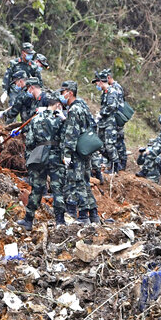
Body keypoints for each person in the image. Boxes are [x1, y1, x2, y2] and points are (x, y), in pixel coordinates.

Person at [18, 103, 67, 228]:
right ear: (57, 105)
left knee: (37, 188)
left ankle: (28, 220)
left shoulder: (36, 118)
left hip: (40, 156)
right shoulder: (61, 119)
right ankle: (60, 221)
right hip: (56, 157)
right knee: (58, 189)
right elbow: (66, 138)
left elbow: (29, 141)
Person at [59, 80, 99, 224]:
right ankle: (93, 214)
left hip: (76, 152)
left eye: (63, 92)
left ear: (70, 93)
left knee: (77, 182)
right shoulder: (82, 106)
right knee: (84, 182)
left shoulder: (74, 110)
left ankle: (82, 215)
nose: (61, 95)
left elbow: (71, 134)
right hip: (85, 150)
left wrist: (67, 153)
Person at [94, 69, 124, 173]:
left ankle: (116, 167)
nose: (97, 85)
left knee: (109, 146)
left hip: (110, 123)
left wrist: (101, 114)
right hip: (103, 123)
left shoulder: (112, 91)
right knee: (100, 146)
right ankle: (113, 163)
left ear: (101, 82)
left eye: (97, 82)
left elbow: (112, 106)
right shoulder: (104, 93)